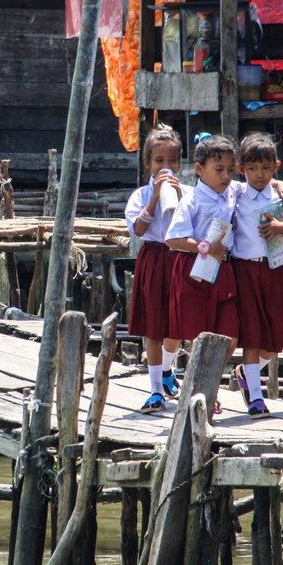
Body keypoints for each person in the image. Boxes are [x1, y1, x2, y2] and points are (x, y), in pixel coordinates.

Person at [231, 133, 283, 419]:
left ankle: (245, 373)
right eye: (252, 168)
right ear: (241, 169)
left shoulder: (282, 196)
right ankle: (255, 398)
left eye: (266, 168)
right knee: (252, 334)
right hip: (245, 272)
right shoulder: (236, 193)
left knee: (275, 338)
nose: (259, 175)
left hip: (275, 269)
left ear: (275, 166)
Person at [125, 126, 191, 414]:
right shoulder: (140, 195)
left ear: (179, 163)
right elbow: (138, 229)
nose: (166, 167)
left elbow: (191, 228)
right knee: (153, 328)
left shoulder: (189, 193)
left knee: (178, 324)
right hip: (153, 257)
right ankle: (155, 391)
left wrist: (178, 199)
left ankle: (166, 370)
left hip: (179, 258)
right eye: (159, 161)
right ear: (148, 164)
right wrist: (154, 199)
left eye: (172, 160)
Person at [165, 135, 240, 376]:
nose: (226, 176)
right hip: (194, 269)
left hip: (224, 271)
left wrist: (282, 185)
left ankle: (208, 382)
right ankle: (188, 381)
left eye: (230, 170)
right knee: (196, 337)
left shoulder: (233, 192)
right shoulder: (191, 200)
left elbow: (261, 185)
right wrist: (205, 247)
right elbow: (172, 239)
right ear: (199, 169)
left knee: (230, 337)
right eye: (218, 169)